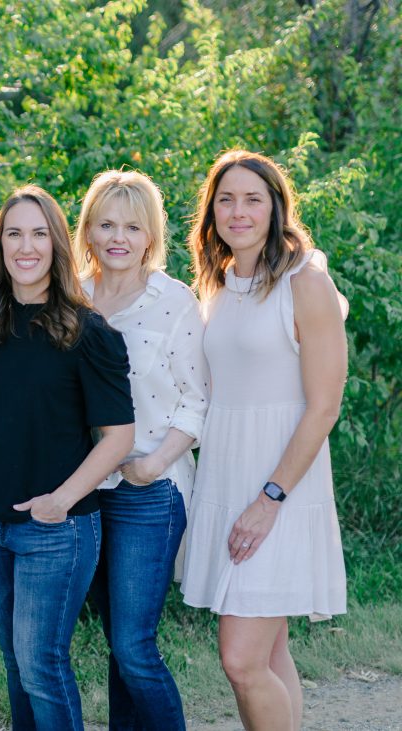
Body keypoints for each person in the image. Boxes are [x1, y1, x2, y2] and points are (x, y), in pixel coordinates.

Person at [181, 150, 348, 731]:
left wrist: (268, 499)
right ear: (212, 212)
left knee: (242, 659)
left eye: (253, 198)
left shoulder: (306, 282)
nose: (238, 211)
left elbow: (324, 404)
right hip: (227, 477)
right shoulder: (220, 284)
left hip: (280, 488)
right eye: (225, 199)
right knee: (271, 653)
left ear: (277, 207)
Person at [0, 184, 135, 730]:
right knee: (16, 665)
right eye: (14, 233)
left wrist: (60, 501)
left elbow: (118, 437)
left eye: (40, 234)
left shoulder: (88, 333)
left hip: (56, 527)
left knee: (42, 665)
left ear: (58, 246)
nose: (26, 246)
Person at [73, 170, 208, 730]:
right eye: (106, 224)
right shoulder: (72, 294)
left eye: (132, 226)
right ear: (88, 231)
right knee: (115, 642)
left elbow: (199, 401)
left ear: (151, 235)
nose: (118, 237)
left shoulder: (174, 301)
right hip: (86, 486)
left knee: (133, 644)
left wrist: (153, 464)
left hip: (150, 487)